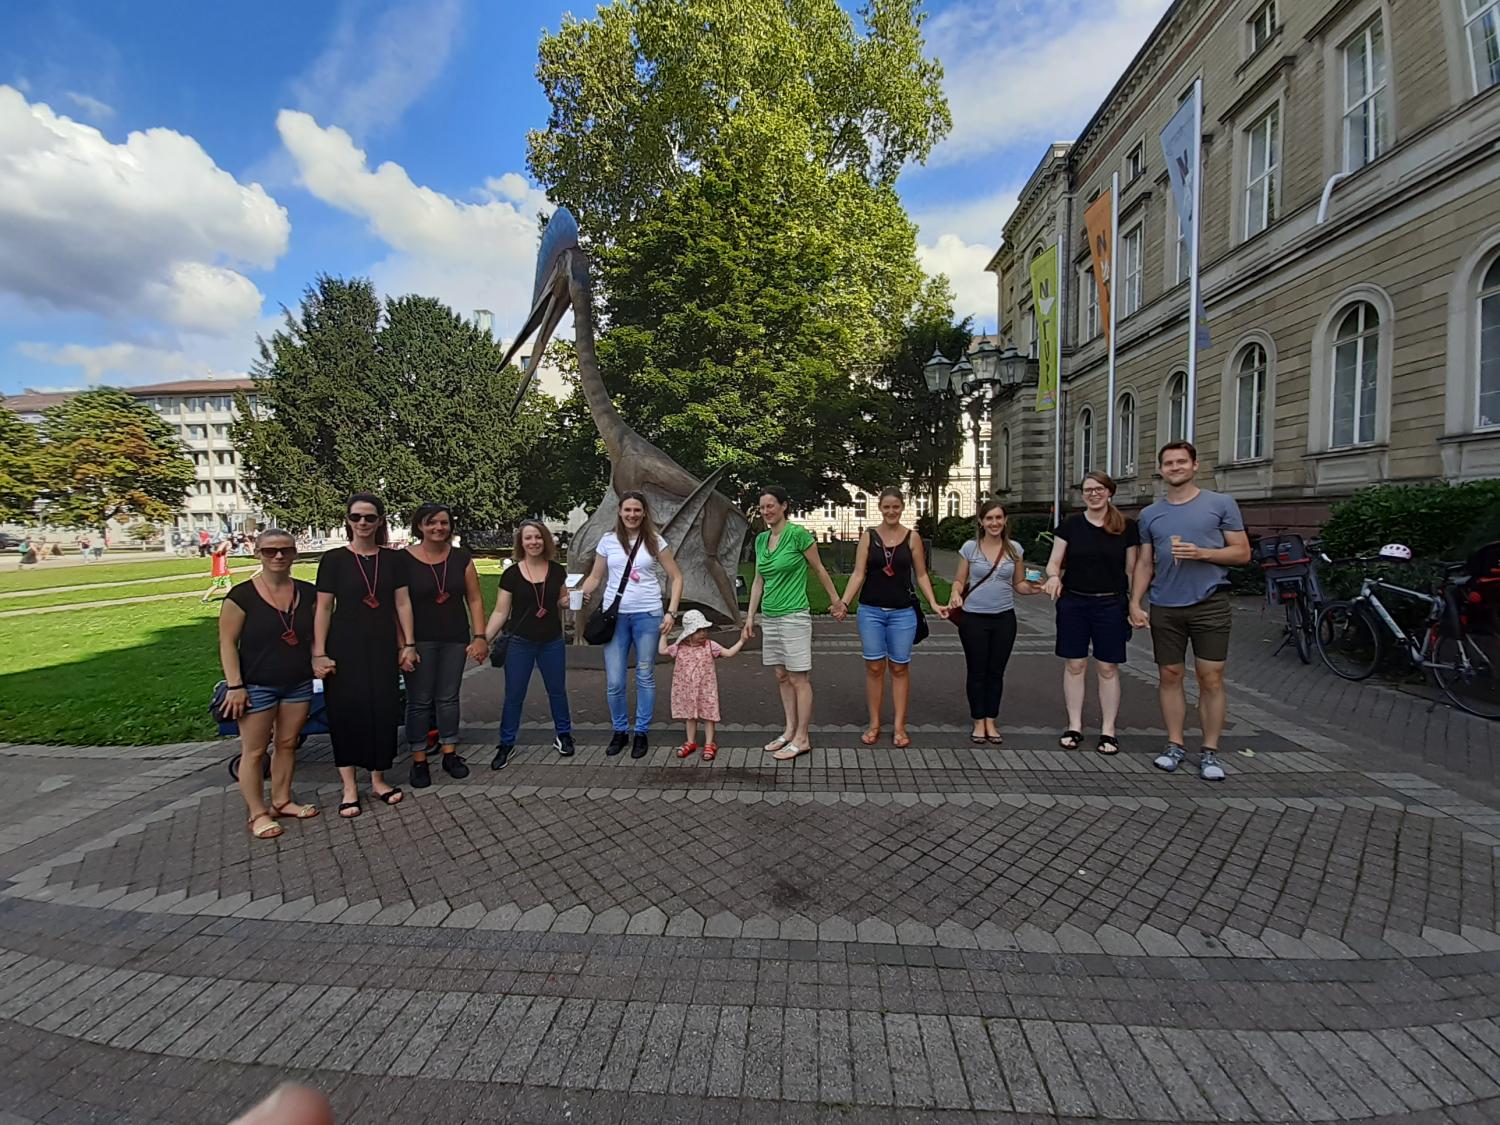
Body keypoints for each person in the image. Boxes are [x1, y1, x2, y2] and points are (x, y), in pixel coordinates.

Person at [1131, 441, 1252, 782]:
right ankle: (1174, 744)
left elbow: (1242, 553)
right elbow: (1144, 562)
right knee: (1169, 676)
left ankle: (1210, 751)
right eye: (1168, 463)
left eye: (1181, 462)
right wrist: (1135, 601)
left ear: (1195, 465)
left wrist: (1201, 553)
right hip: (1165, 604)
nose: (1175, 467)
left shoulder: (1220, 504)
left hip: (1209, 601)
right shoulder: (1151, 514)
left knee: (1210, 677)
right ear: (1161, 470)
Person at [313, 493, 418, 817]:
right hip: (344, 646)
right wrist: (318, 652)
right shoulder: (333, 560)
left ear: (380, 521)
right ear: (347, 520)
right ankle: (348, 787)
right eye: (356, 517)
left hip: (382, 646)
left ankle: (378, 779)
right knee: (345, 712)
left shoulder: (393, 560)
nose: (362, 523)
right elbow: (323, 608)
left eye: (369, 518)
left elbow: (402, 603)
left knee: (382, 711)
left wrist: (408, 644)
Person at [217, 529, 319, 839]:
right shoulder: (241, 596)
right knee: (254, 751)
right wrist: (236, 685)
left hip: (298, 682)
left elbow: (316, 636)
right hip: (257, 685)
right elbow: (227, 643)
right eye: (270, 551)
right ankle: (257, 813)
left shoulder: (308, 593)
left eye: (285, 550)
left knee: (287, 744)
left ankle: (282, 800)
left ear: (294, 554)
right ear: (257, 553)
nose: (278, 556)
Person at [742, 486, 847, 761]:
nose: (766, 511)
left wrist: (837, 601)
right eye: (763, 507)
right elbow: (757, 581)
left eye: (771, 506)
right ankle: (789, 731)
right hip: (771, 615)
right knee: (781, 675)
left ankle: (803, 737)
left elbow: (819, 569)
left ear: (784, 506)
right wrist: (751, 616)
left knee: (799, 677)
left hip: (794, 615)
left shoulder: (798, 535)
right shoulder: (762, 540)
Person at [578, 492, 685, 758]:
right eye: (627, 510)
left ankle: (641, 733)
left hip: (648, 614)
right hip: (616, 618)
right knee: (615, 680)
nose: (632, 515)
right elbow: (595, 576)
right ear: (620, 511)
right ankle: (620, 730)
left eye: (637, 510)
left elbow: (677, 577)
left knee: (645, 675)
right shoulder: (608, 541)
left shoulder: (655, 541)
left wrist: (671, 612)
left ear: (645, 512)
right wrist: (581, 592)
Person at [838, 488, 947, 748]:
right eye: (886, 507)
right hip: (871, 611)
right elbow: (858, 573)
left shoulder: (912, 538)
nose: (891, 512)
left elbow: (921, 575)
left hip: (902, 613)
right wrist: (844, 602)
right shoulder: (869, 536)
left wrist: (933, 602)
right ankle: (874, 723)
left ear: (902, 507)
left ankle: (899, 726)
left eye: (895, 507)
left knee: (899, 667)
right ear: (880, 508)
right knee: (874, 667)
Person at [1042, 471, 1142, 754]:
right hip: (1074, 602)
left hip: (1110, 603)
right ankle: (1074, 725)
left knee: (1108, 667)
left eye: (1099, 489)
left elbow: (1132, 570)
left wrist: (1134, 604)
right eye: (1088, 490)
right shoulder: (1071, 525)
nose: (1093, 494)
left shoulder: (1126, 526)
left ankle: (1108, 730)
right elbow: (1054, 563)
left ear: (1110, 492)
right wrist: (1053, 577)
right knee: (1075, 664)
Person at [402, 503, 487, 787]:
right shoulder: (404, 559)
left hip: (454, 637)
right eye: (431, 523)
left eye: (444, 523)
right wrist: (405, 644)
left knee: (448, 697)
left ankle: (450, 752)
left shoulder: (461, 557)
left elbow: (474, 599)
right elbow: (398, 605)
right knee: (419, 700)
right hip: (419, 639)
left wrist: (480, 636)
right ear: (419, 526)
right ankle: (418, 759)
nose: (438, 528)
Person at [949, 499, 1040, 745]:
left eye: (998, 518)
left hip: (1004, 618)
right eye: (989, 518)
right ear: (981, 522)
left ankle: (991, 718)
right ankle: (978, 720)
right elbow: (959, 580)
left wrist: (1037, 589)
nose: (994, 523)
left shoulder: (1015, 550)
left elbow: (1019, 584)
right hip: (974, 618)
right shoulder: (970, 548)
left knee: (996, 672)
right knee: (977, 671)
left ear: (1005, 520)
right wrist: (955, 593)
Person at [486, 519, 574, 769]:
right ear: (521, 542)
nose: (533, 542)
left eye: (537, 537)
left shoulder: (557, 570)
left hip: (552, 641)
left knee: (557, 690)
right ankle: (506, 743)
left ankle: (564, 734)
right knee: (514, 694)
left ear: (545, 540)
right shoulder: (511, 574)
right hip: (520, 642)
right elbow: (501, 612)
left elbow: (561, 600)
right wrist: (483, 638)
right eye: (528, 538)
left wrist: (567, 602)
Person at [661, 608, 746, 762]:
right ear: (689, 633)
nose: (703, 634)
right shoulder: (679, 647)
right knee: (690, 715)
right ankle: (690, 741)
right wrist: (664, 634)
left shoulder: (709, 645)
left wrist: (742, 640)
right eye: (698, 630)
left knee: (708, 715)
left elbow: (728, 653)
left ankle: (709, 743)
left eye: (704, 630)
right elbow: (662, 651)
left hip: (706, 688)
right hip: (687, 689)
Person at [201, 536, 233, 602]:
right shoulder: (217, 554)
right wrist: (226, 542)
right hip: (218, 573)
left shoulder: (224, 554)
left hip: (225, 573)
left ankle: (230, 598)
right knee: (215, 586)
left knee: (228, 584)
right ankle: (204, 598)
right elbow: (220, 549)